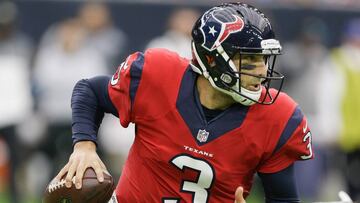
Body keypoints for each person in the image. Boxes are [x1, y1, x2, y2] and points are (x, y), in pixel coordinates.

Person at [55, 3, 313, 202]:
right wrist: (84, 147)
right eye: (250, 60)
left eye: (264, 60)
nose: (261, 71)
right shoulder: (158, 75)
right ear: (211, 60)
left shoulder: (278, 117)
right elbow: (89, 90)